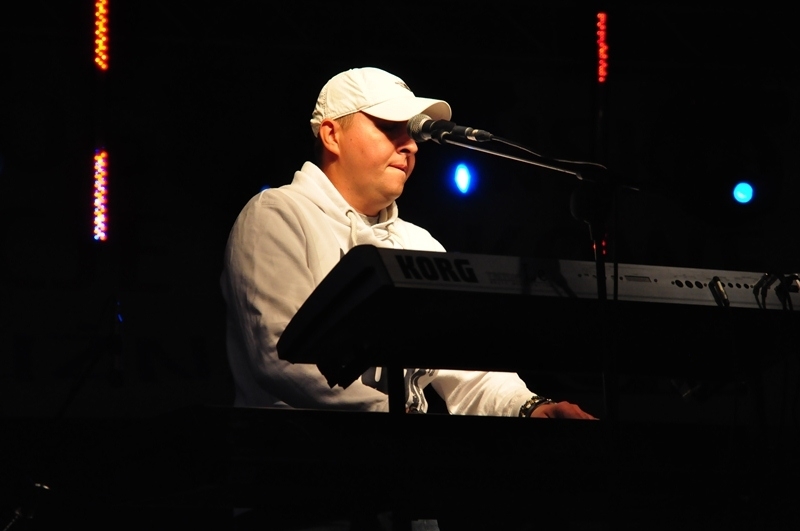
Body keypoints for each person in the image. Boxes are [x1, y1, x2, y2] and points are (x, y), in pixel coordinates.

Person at [221, 66, 595, 421]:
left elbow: (467, 368)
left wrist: (529, 408)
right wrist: (398, 419)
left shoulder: (417, 242)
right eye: (389, 128)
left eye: (412, 133)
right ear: (332, 135)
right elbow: (279, 356)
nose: (411, 146)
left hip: (402, 449)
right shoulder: (277, 214)